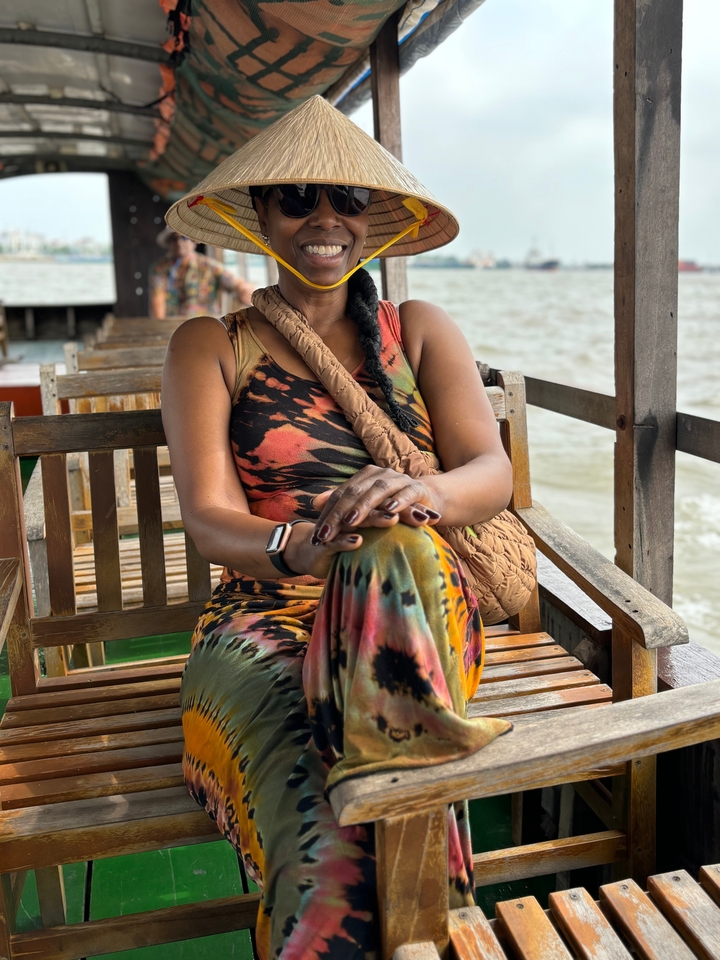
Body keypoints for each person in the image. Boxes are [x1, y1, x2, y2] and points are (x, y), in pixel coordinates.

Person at [162, 96, 513, 959]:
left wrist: (410, 495)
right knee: (330, 813)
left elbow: (490, 473)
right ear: (262, 217)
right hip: (265, 615)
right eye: (299, 197)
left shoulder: (420, 331)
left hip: (414, 607)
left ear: (374, 220)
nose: (325, 219)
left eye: (347, 201)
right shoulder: (211, 343)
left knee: (392, 542)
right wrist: (303, 543)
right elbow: (210, 520)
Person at [149, 229, 254, 318]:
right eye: (175, 239)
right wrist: (161, 327)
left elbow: (233, 281)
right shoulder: (160, 268)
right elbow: (158, 299)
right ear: (169, 243)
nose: (179, 242)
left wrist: (242, 288)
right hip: (172, 327)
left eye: (185, 238)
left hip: (205, 325)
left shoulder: (208, 266)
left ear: (193, 242)